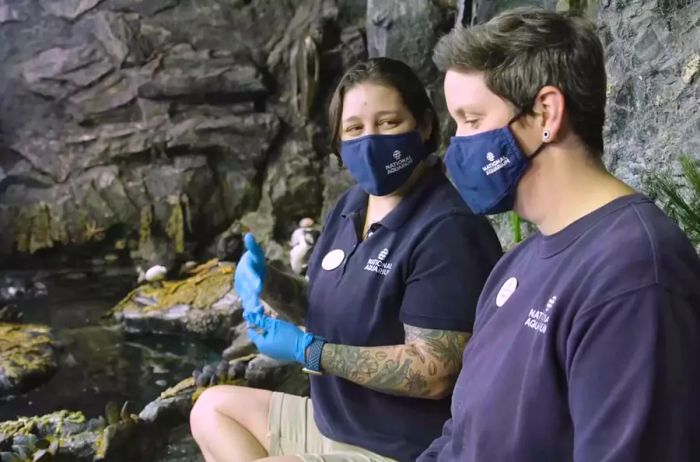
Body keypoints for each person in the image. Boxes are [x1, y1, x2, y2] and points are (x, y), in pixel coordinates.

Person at [419, 7, 700, 462]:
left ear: (546, 111)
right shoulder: (518, 263)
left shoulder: (633, 275)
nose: (456, 146)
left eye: (471, 120)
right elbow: (462, 437)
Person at [190, 57, 503, 462]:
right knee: (210, 411)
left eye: (388, 123)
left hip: (405, 448)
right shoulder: (350, 206)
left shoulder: (448, 228)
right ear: (339, 140)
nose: (370, 141)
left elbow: (433, 371)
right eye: (355, 128)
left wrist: (312, 352)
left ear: (424, 126)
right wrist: (268, 281)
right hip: (335, 424)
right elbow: (324, 304)